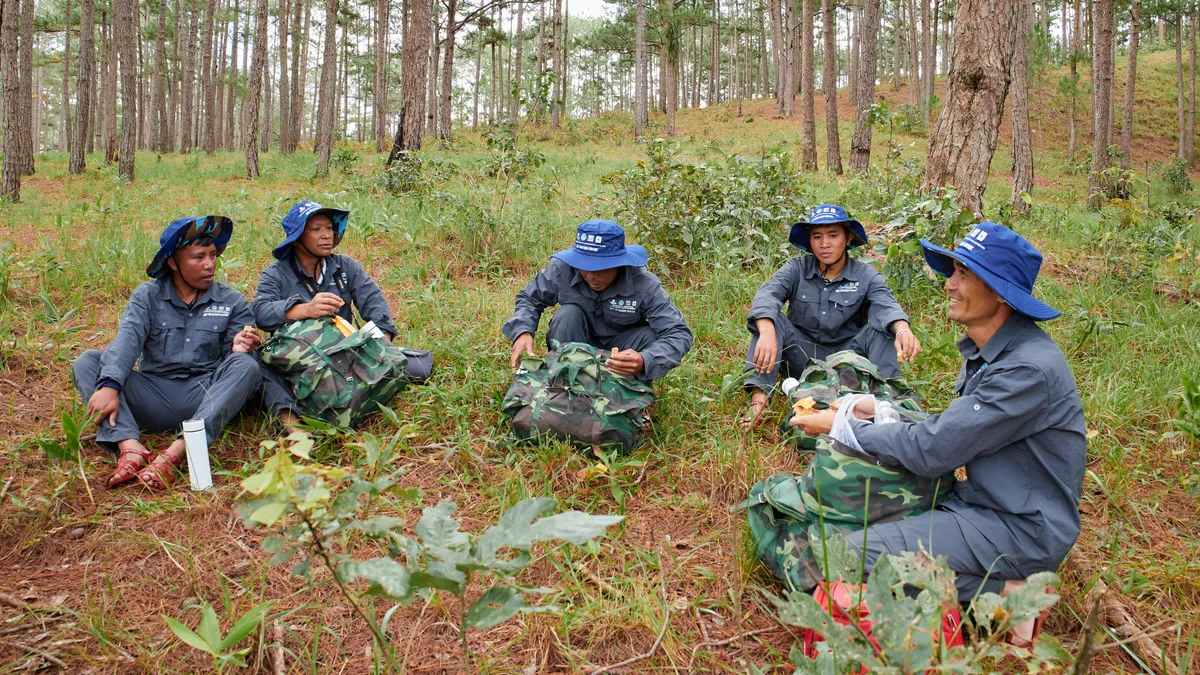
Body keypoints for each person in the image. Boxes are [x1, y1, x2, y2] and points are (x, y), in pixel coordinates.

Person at [790, 222, 1086, 644]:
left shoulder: (1026, 369)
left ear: (1001, 292)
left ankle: (1009, 594)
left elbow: (934, 449)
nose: (950, 284)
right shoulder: (995, 351)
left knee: (841, 557)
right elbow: (959, 429)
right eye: (954, 271)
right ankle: (1000, 589)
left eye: (965, 274)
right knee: (850, 530)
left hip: (1017, 528)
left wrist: (844, 426)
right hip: (982, 506)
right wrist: (875, 408)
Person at [72, 216, 262, 490]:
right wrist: (110, 385)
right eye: (198, 257)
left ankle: (177, 450)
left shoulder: (232, 301)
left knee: (246, 365)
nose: (210, 265)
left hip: (205, 397)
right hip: (153, 395)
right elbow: (127, 341)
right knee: (88, 361)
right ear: (173, 262)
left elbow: (233, 368)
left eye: (212, 256)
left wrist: (237, 350)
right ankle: (131, 446)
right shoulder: (147, 297)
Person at [744, 204, 920, 426]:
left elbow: (886, 304)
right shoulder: (796, 268)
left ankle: (883, 401)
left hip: (848, 361)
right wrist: (767, 330)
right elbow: (767, 295)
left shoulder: (865, 275)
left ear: (847, 238)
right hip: (801, 357)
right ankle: (759, 402)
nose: (824, 244)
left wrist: (902, 329)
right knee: (770, 320)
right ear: (810, 241)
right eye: (817, 236)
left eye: (833, 235)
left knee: (884, 329)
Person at [253, 200, 403, 430]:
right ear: (297, 238)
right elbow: (261, 312)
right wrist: (304, 310)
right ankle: (292, 425)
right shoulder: (276, 274)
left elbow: (375, 304)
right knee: (258, 367)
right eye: (315, 229)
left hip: (345, 354)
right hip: (302, 364)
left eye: (329, 228)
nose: (326, 235)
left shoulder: (344, 267)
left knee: (409, 364)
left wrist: (382, 347)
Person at [502, 220, 693, 382]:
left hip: (620, 352)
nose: (591, 276)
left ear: (619, 263)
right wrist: (523, 331)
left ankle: (630, 395)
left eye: (601, 268)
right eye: (584, 266)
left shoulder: (644, 284)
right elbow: (529, 297)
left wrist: (645, 359)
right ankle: (566, 382)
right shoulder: (562, 269)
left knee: (649, 337)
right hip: (575, 341)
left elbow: (678, 333)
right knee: (567, 314)